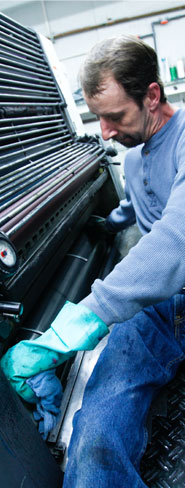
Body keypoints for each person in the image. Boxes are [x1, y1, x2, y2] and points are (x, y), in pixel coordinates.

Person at [62, 36, 185, 487]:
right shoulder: (135, 158)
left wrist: (90, 313)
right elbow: (134, 207)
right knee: (96, 436)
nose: (106, 132)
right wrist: (102, 224)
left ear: (152, 95)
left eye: (115, 116)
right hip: (159, 310)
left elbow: (176, 240)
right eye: (98, 117)